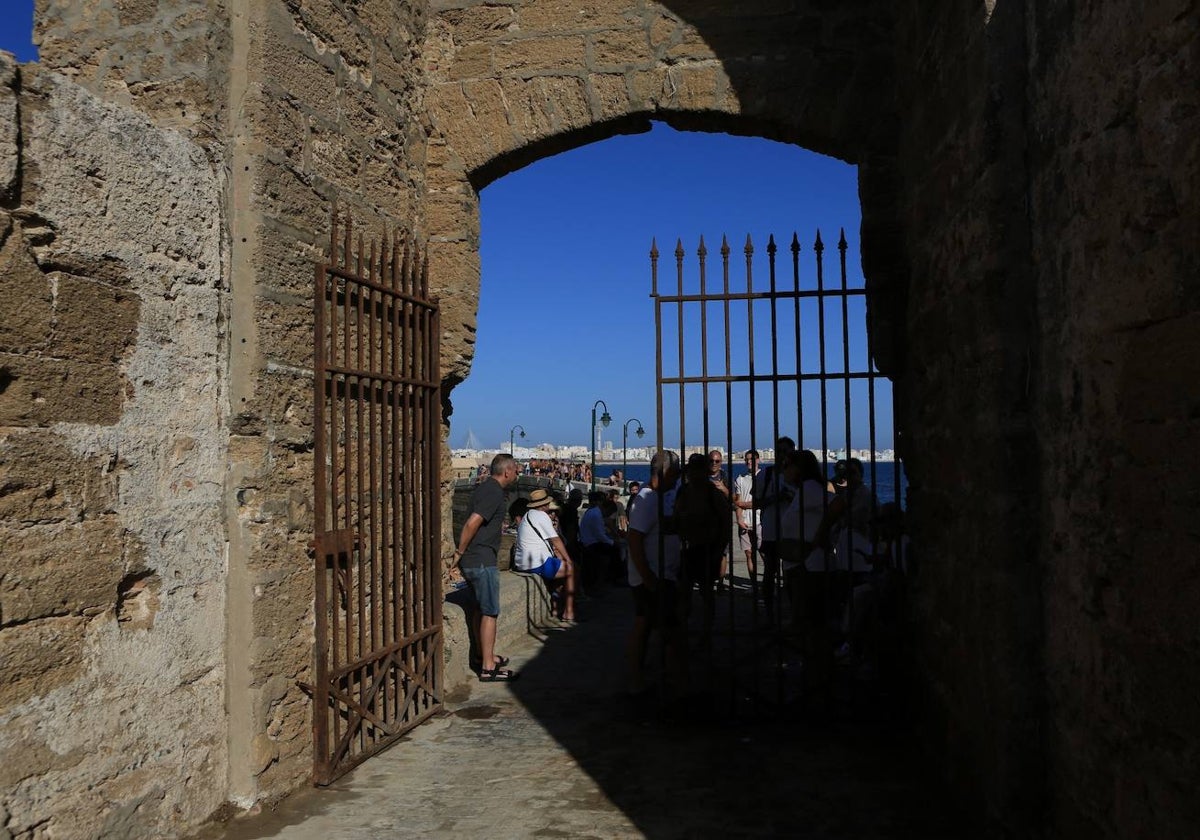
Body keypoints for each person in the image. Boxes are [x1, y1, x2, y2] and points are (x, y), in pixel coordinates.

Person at [454, 453, 519, 682]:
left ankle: (484, 655)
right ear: (507, 471)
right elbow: (473, 522)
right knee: (490, 612)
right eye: (515, 470)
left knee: (479, 609)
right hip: (481, 559)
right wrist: (459, 551)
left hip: (473, 559)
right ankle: (488, 667)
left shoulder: (483, 488)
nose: (517, 474)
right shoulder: (493, 492)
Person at [625, 449, 684, 695]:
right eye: (675, 473)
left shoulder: (655, 498)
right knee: (659, 628)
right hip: (652, 577)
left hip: (659, 575)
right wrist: (648, 576)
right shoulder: (647, 500)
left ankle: (649, 678)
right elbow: (634, 539)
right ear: (666, 472)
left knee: (649, 625)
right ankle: (664, 680)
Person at [675, 452, 731, 643]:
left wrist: (718, 549)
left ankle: (704, 633)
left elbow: (724, 523)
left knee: (705, 594)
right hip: (689, 548)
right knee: (686, 593)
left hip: (706, 548)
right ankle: (685, 632)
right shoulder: (685, 491)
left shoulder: (711, 493)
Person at [512, 488, 577, 622]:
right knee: (571, 569)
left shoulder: (527, 516)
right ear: (545, 505)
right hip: (536, 562)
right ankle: (569, 611)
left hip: (522, 562)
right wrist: (568, 559)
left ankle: (555, 607)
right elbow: (556, 539)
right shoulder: (542, 516)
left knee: (559, 570)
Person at [753, 436, 797, 622]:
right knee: (770, 572)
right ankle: (770, 612)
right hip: (771, 529)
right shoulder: (766, 475)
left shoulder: (797, 474)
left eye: (785, 451)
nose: (781, 455)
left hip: (792, 531)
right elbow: (756, 502)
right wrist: (776, 498)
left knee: (792, 573)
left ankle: (793, 613)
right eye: (778, 451)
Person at [580, 490, 618, 592]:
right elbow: (600, 535)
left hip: (589, 542)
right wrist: (613, 542)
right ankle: (601, 583)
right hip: (590, 544)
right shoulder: (596, 514)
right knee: (613, 551)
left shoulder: (592, 511)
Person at [733, 450, 761, 587]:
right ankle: (754, 585)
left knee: (764, 554)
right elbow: (737, 500)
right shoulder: (740, 479)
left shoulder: (762, 477)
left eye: (752, 459)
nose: (749, 461)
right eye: (747, 459)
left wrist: (743, 504)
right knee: (749, 554)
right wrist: (739, 518)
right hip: (744, 521)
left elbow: (761, 502)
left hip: (760, 521)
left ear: (758, 460)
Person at [706, 450, 732, 591]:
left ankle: (721, 582)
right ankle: (708, 581)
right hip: (707, 522)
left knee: (722, 553)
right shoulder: (702, 477)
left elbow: (733, 499)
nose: (714, 464)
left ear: (721, 462)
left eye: (717, 461)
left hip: (722, 521)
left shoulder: (725, 476)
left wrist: (724, 489)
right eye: (711, 461)